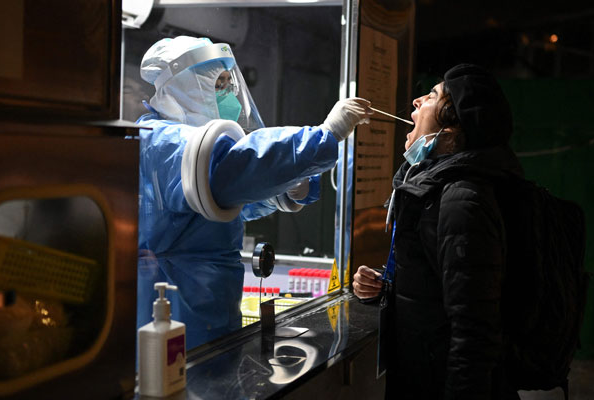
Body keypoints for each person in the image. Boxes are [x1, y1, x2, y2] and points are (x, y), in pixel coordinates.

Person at [136, 36, 371, 349]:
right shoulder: (163, 141)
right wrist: (322, 137)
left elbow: (233, 199)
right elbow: (230, 171)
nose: (230, 95)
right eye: (219, 85)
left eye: (229, 83)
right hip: (174, 306)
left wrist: (290, 187)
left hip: (211, 303)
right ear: (185, 87)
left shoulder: (188, 141)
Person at [352, 64, 524, 399]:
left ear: (452, 129)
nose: (416, 101)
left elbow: (474, 331)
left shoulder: (462, 200)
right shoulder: (432, 191)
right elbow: (439, 293)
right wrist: (384, 287)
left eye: (430, 96)